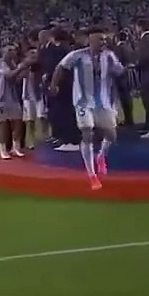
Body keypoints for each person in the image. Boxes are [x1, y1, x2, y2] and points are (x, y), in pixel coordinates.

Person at [50, 27, 125, 190]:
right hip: (83, 102)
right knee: (87, 132)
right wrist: (54, 84)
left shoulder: (109, 56)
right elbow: (60, 67)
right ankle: (92, 175)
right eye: (100, 39)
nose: (103, 42)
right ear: (90, 41)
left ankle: (101, 156)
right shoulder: (78, 55)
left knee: (111, 135)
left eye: (104, 39)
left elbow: (120, 72)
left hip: (104, 102)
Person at [0, 45, 30, 159]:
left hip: (13, 97)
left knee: (17, 122)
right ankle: (3, 149)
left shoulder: (13, 64)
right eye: (9, 50)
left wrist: (23, 72)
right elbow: (8, 75)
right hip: (0, 98)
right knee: (2, 124)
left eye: (13, 50)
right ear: (3, 52)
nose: (12, 52)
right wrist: (21, 67)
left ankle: (16, 147)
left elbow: (15, 80)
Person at [20, 48, 47, 150]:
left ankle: (44, 138)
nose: (34, 55)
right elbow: (20, 77)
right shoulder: (24, 66)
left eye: (35, 53)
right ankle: (31, 141)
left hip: (40, 94)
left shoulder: (41, 66)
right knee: (30, 120)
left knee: (42, 118)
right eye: (31, 53)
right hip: (28, 96)